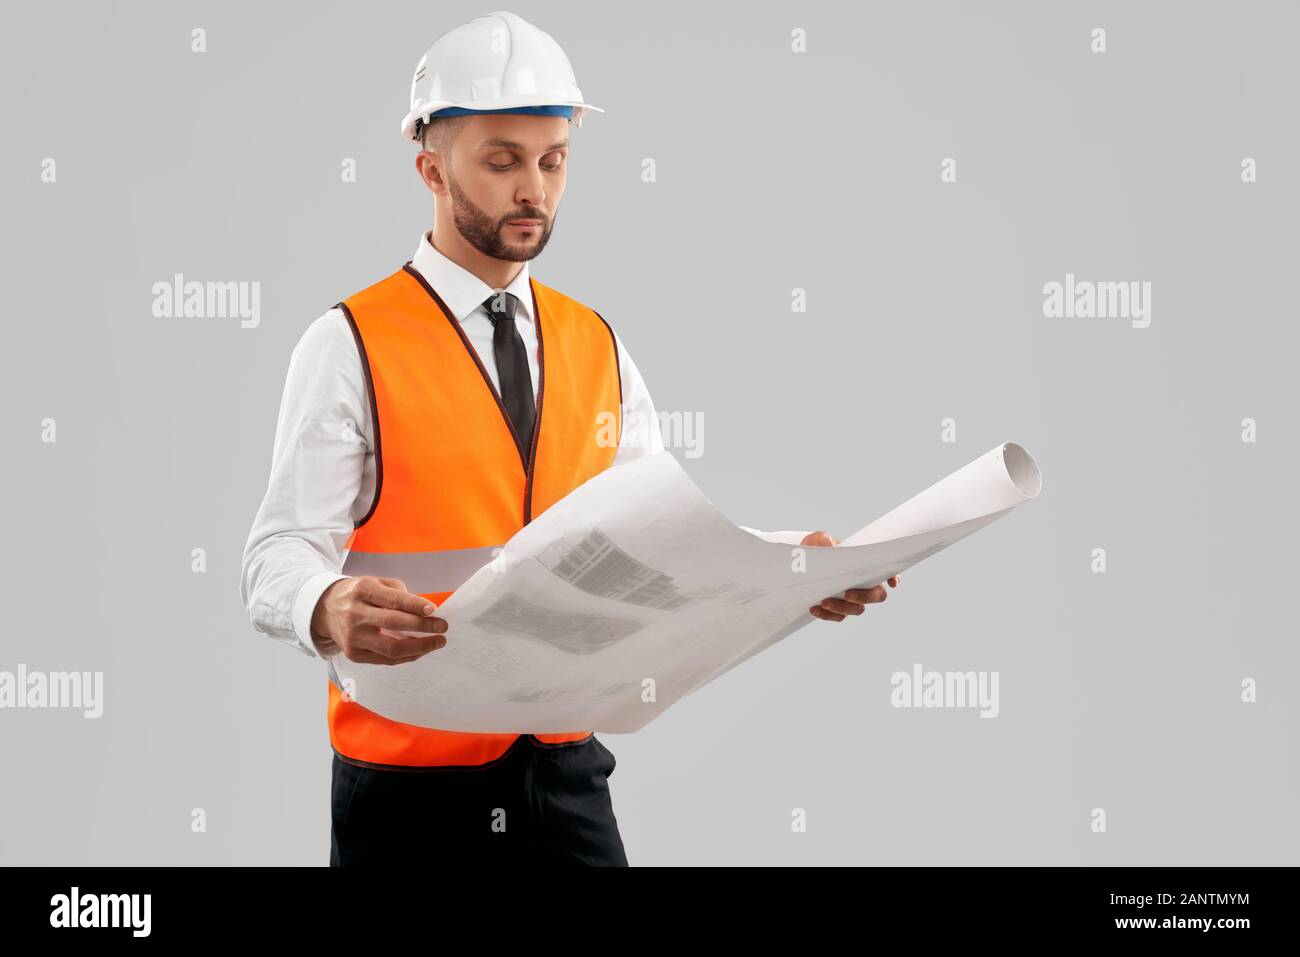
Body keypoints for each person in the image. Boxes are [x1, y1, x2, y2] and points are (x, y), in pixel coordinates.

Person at [239, 10, 898, 867]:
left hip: (563, 777)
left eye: (554, 163)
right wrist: (322, 607)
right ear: (429, 168)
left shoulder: (597, 343)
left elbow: (660, 542)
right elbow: (277, 552)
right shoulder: (350, 343)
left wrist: (787, 567)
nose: (535, 192)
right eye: (503, 161)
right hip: (407, 789)